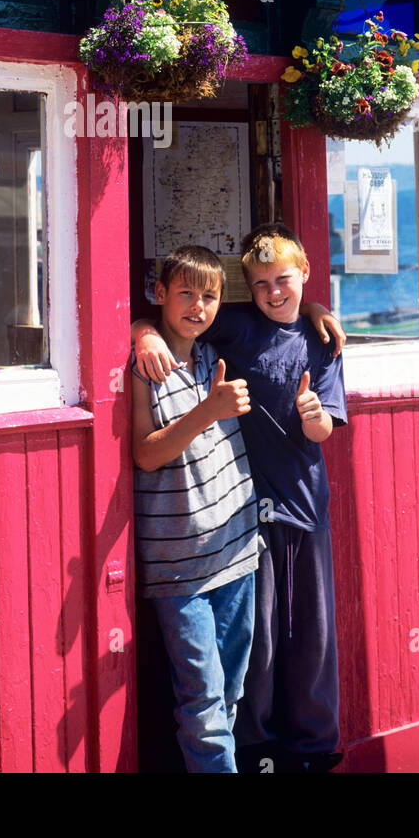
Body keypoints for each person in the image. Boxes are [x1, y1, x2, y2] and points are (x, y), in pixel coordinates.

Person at [133, 223, 346, 773]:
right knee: (259, 653)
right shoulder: (234, 328)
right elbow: (175, 316)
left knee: (312, 639)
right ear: (246, 290)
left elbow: (326, 429)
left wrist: (316, 415)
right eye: (260, 284)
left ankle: (313, 750)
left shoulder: (322, 342)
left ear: (304, 275)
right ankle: (257, 750)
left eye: (284, 281)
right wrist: (143, 333)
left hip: (299, 512)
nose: (274, 293)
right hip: (244, 523)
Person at [131, 245, 261, 773]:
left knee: (229, 693)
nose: (198, 306)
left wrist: (318, 311)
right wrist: (209, 409)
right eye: (185, 293)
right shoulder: (144, 366)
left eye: (209, 296)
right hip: (179, 562)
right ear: (159, 294)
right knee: (203, 704)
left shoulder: (213, 350)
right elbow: (145, 454)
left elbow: (280, 313)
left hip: (237, 547)